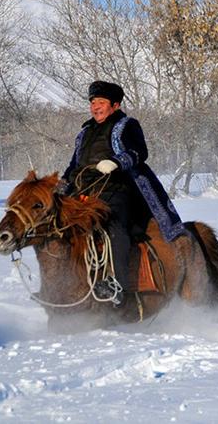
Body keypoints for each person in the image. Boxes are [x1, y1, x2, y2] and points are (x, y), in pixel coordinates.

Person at [62, 81, 185, 305]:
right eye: (92, 102)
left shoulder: (126, 125)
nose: (95, 106)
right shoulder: (85, 132)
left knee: (113, 226)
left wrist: (116, 162)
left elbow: (140, 152)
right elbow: (74, 165)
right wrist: (62, 184)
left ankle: (116, 284)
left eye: (101, 102)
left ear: (115, 105)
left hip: (118, 188)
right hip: (84, 190)